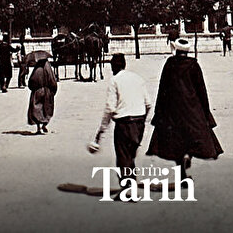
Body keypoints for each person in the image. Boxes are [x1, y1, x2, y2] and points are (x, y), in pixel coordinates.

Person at [146, 37, 222, 179]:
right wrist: (206, 112)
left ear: (176, 50)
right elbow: (201, 90)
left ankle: (181, 173)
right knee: (193, 136)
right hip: (192, 107)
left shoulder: (169, 64)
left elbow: (162, 88)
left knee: (176, 142)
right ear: (187, 51)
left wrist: (158, 111)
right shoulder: (193, 65)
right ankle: (189, 155)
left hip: (172, 109)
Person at [88, 53, 152, 198]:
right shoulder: (137, 78)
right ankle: (131, 185)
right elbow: (148, 103)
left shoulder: (114, 81)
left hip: (124, 124)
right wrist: (143, 121)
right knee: (130, 156)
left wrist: (101, 131)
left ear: (112, 67)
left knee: (123, 157)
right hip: (139, 123)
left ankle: (128, 189)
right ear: (124, 64)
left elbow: (110, 108)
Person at [27, 56, 58, 134]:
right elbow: (52, 81)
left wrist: (33, 89)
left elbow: (31, 81)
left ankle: (38, 128)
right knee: (47, 110)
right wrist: (53, 91)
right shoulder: (48, 68)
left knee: (37, 110)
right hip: (47, 92)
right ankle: (44, 124)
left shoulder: (36, 69)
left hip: (37, 92)